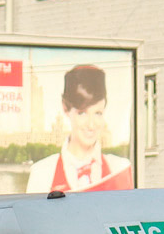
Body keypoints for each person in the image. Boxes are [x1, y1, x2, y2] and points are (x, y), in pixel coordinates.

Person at [25, 64, 133, 194]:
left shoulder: (119, 169)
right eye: (82, 113)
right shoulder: (42, 173)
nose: (91, 125)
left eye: (98, 113)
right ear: (65, 108)